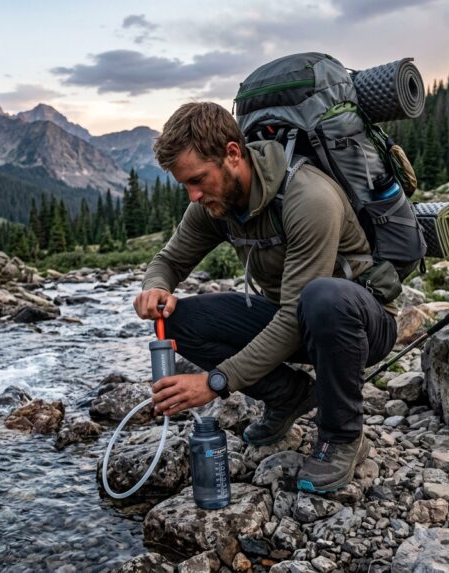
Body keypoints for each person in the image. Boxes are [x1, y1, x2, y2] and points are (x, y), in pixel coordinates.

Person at [132, 102, 397, 493]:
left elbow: (293, 316)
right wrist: (156, 287)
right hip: (292, 317)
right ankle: (290, 397)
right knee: (176, 321)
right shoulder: (214, 203)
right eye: (185, 184)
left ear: (232, 153)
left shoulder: (308, 197)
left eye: (198, 180)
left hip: (357, 324)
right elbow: (169, 261)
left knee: (322, 297)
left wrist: (216, 381)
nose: (193, 195)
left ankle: (343, 436)